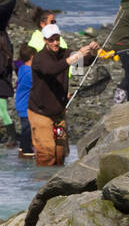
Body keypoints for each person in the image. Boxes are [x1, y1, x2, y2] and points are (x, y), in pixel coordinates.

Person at [28, 24, 99, 166]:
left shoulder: (65, 53)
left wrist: (92, 52)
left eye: (57, 39)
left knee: (60, 152)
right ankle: (40, 182)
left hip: (59, 114)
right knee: (47, 152)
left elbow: (85, 61)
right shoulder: (39, 58)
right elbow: (51, 70)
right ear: (45, 41)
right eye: (51, 40)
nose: (55, 43)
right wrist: (74, 57)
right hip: (40, 113)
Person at [14, 44, 35, 157]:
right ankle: (27, 151)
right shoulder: (30, 72)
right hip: (26, 105)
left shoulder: (22, 68)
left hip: (21, 104)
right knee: (27, 129)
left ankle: (22, 149)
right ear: (32, 57)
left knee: (25, 128)